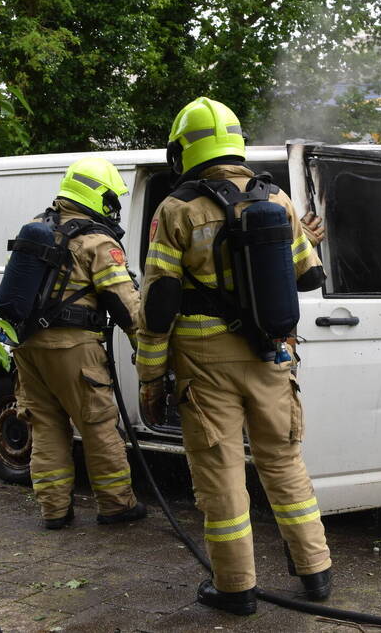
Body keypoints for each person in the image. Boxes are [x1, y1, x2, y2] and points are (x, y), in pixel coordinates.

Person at [136, 97, 331, 615]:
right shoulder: (279, 199)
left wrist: (150, 377)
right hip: (272, 353)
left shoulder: (177, 210)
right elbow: (308, 276)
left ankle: (235, 588)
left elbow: (158, 305)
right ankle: (315, 573)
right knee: (284, 462)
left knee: (221, 473)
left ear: (185, 149)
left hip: (205, 361)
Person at [12, 157, 147, 530]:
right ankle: (116, 505)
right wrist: (149, 348)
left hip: (28, 347)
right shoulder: (96, 242)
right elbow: (126, 304)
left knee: (46, 428)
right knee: (98, 425)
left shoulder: (37, 227)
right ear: (97, 194)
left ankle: (54, 510)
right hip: (74, 350)